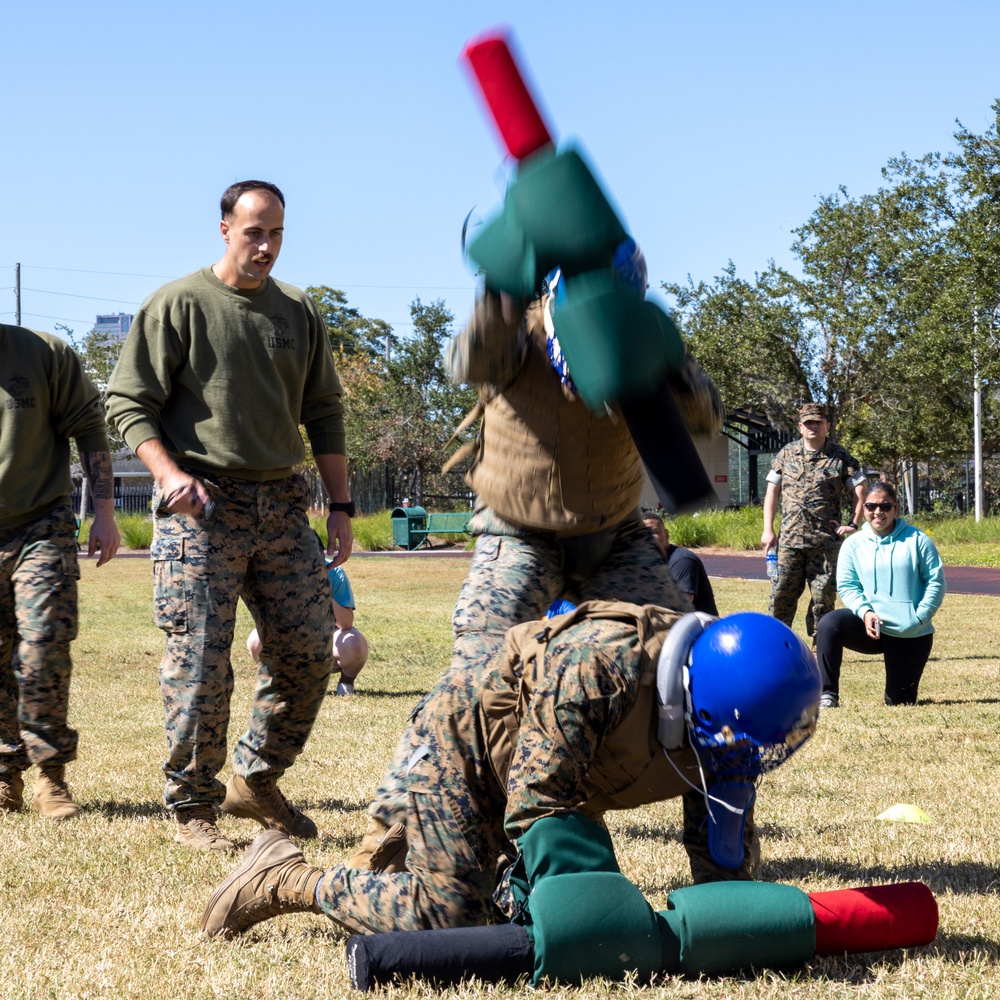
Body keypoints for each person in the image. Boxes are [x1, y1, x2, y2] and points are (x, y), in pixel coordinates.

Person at [199, 604, 821, 940]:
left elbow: (721, 857)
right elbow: (539, 806)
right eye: (739, 751)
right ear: (694, 702)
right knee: (447, 917)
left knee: (487, 897)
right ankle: (285, 875)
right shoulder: (598, 669)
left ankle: (407, 843)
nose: (748, 765)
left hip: (546, 764)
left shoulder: (732, 723)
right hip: (469, 742)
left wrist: (736, 927)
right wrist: (601, 919)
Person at [106, 180, 353, 852]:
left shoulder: (298, 312)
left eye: (276, 232)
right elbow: (128, 404)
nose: (266, 245)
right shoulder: (179, 304)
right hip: (201, 507)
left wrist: (340, 505)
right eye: (254, 232)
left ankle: (257, 776)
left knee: (309, 649)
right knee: (201, 660)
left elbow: (324, 411)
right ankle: (192, 805)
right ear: (224, 230)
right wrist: (168, 474)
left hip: (280, 504)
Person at [0, 324, 121, 819]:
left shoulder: (42, 353)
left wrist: (106, 512)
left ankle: (51, 775)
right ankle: (5, 773)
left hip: (40, 524)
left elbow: (90, 429)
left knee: (44, 642)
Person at [815, 481, 946, 708]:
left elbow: (935, 582)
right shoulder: (853, 544)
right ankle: (827, 694)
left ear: (896, 508)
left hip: (910, 632)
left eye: (885, 506)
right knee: (829, 624)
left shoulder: (918, 540)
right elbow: (847, 586)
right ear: (863, 508)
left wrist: (919, 618)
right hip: (871, 627)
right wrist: (865, 613)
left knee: (899, 702)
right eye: (871, 506)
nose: (878, 512)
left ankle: (900, 690)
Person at [761, 402, 867, 639]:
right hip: (790, 541)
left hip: (825, 543)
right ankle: (776, 643)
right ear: (800, 426)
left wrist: (853, 523)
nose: (813, 427)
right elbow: (771, 492)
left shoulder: (840, 457)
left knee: (823, 599)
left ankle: (821, 646)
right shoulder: (786, 454)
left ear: (827, 426)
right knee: (781, 595)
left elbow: (860, 489)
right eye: (808, 423)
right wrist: (768, 530)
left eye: (818, 422)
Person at [247, 559, 368, 696]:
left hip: (329, 638)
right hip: (290, 635)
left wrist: (322, 593)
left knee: (354, 643)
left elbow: (346, 623)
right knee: (256, 641)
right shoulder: (276, 569)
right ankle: (283, 678)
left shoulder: (334, 570)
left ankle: (346, 682)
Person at [644, 514, 719, 616]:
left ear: (666, 534)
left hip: (700, 627)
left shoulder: (682, 561)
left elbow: (680, 606)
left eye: (654, 532)